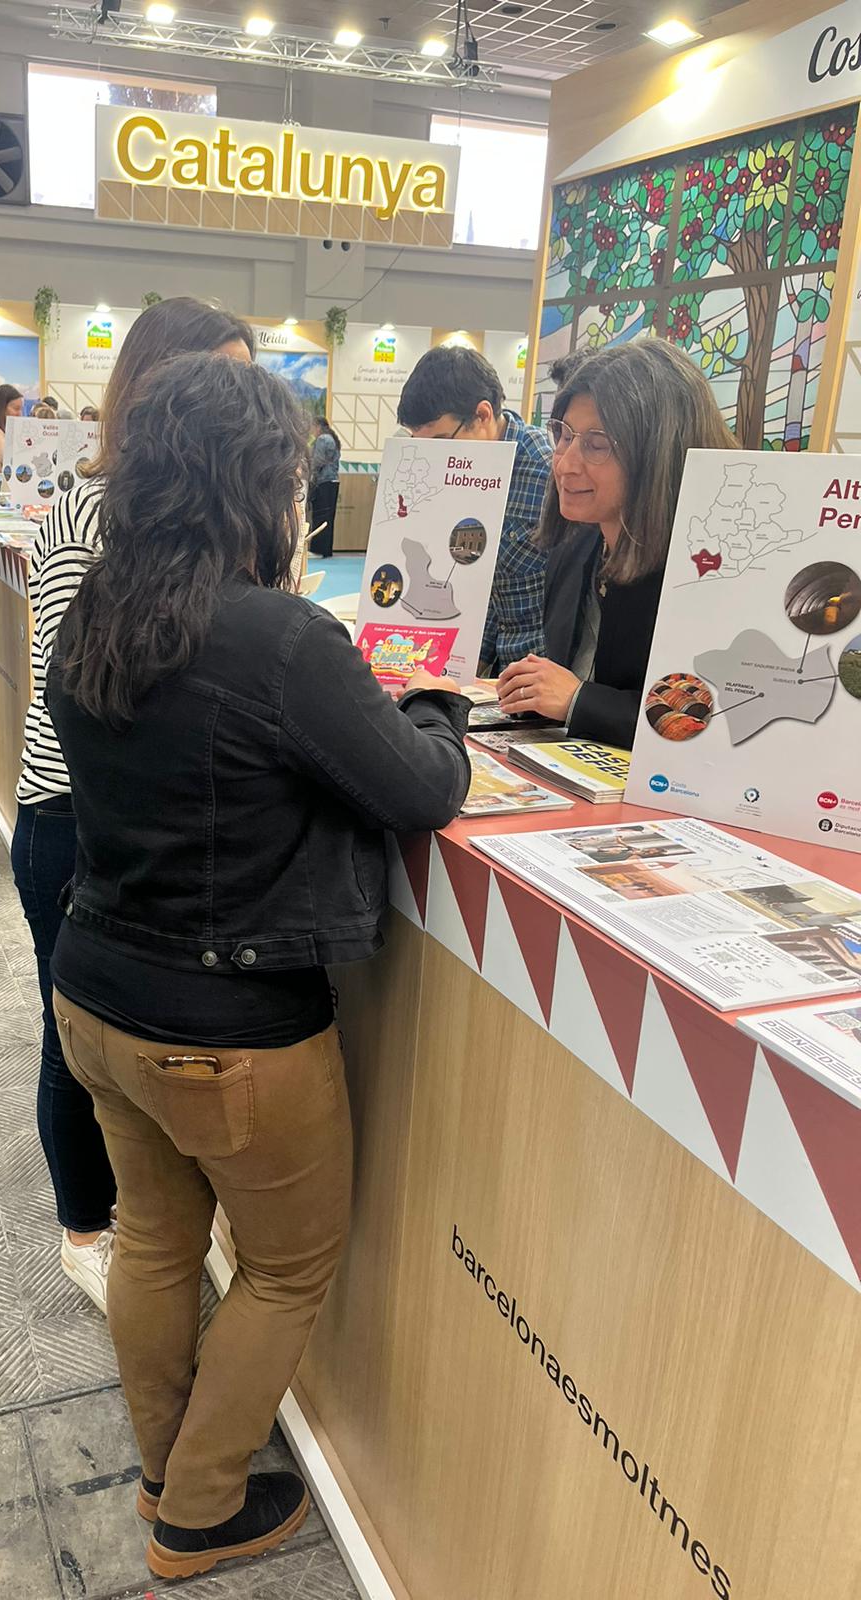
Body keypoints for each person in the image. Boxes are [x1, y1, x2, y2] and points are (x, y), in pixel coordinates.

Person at [46, 352, 471, 1581]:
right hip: (228, 1027)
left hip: (95, 995)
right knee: (286, 1266)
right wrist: (436, 706)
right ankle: (198, 1510)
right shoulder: (281, 638)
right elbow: (419, 788)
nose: (300, 499)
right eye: (291, 477)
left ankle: (163, 1468)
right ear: (254, 484)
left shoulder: (98, 611)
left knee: (155, 1239)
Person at [13, 295, 255, 1314]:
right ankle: (85, 1227)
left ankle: (150, 1220)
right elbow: (82, 680)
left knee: (126, 1041)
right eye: (221, 378)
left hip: (125, 816)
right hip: (74, 815)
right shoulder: (101, 512)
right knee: (73, 1038)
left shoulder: (185, 513)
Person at [497, 341, 736, 748]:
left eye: (596, 444)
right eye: (563, 435)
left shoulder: (710, 574)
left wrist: (578, 700)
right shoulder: (577, 545)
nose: (565, 463)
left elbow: (711, 724)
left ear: (657, 452)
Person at [397, 345, 553, 675]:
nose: (433, 460)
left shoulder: (547, 473)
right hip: (479, 667)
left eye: (440, 443)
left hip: (536, 672)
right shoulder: (452, 474)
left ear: (482, 415)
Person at [307, 415, 340, 557]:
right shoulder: (332, 439)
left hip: (323, 482)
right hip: (332, 482)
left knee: (320, 516)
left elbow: (318, 461)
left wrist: (310, 476)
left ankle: (318, 549)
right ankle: (326, 550)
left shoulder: (322, 439)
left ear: (318, 426)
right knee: (328, 518)